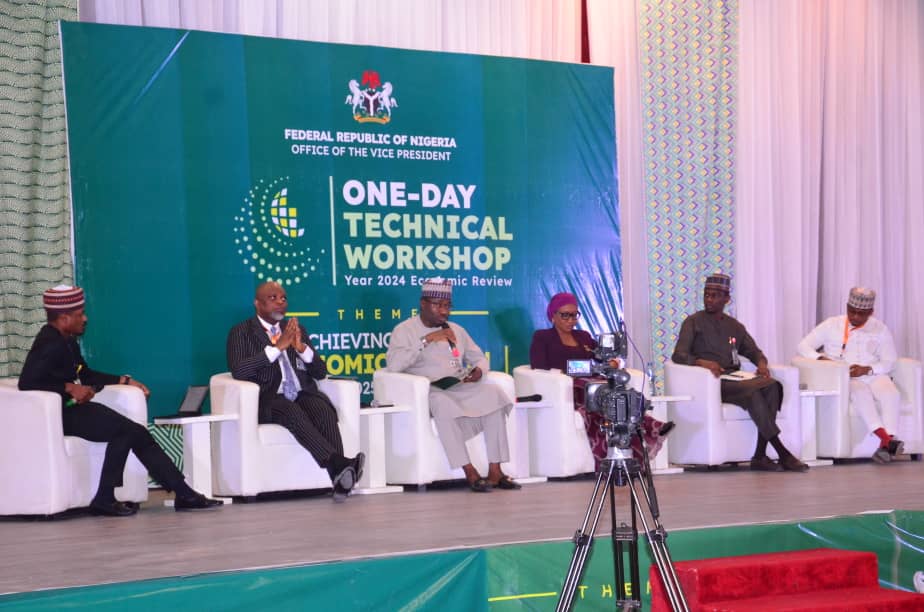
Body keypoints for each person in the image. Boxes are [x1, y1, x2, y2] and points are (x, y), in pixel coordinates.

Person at [18, 285, 223, 516]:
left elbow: (86, 374)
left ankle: (181, 493)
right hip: (60, 414)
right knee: (126, 431)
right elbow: (27, 381)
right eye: (80, 314)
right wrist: (68, 387)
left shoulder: (67, 341)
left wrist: (125, 380)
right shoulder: (49, 342)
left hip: (74, 410)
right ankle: (112, 498)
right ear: (64, 318)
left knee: (134, 432)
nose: (85, 319)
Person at [226, 281, 364, 502]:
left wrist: (301, 349)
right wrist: (277, 348)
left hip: (302, 393)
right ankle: (339, 465)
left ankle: (338, 477)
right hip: (268, 398)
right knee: (290, 411)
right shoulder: (242, 332)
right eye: (273, 298)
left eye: (283, 298)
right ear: (257, 304)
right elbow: (240, 370)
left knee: (323, 410)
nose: (280, 302)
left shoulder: (296, 330)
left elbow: (320, 372)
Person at [385, 278, 520, 493]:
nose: (444, 311)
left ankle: (496, 471)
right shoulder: (404, 330)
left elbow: (479, 357)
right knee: (442, 403)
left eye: (447, 305)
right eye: (438, 305)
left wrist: (478, 371)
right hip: (431, 390)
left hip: (459, 385)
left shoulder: (456, 330)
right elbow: (394, 365)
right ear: (423, 304)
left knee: (494, 393)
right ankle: (470, 472)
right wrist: (426, 340)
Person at [671, 273, 809, 472]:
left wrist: (761, 364)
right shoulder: (693, 322)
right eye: (706, 295)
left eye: (714, 296)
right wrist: (702, 363)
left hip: (736, 379)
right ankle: (782, 453)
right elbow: (679, 355)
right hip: (712, 382)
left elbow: (753, 351)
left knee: (772, 386)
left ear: (726, 299)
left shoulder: (734, 326)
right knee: (754, 392)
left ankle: (760, 456)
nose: (709, 299)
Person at [529, 292, 673, 468]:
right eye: (565, 315)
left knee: (618, 398)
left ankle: (635, 445)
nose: (571, 320)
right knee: (603, 402)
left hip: (593, 384)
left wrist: (613, 362)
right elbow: (538, 366)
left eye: (574, 315)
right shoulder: (542, 337)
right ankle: (651, 426)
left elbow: (602, 356)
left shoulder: (583, 336)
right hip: (568, 388)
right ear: (553, 315)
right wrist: (563, 374)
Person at [796, 287, 903, 464]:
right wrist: (821, 359)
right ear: (847, 307)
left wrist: (868, 369)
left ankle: (887, 444)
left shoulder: (880, 329)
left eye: (861, 314)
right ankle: (886, 441)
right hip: (845, 377)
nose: (855, 317)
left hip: (872, 374)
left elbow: (889, 361)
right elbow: (803, 346)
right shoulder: (832, 324)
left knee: (891, 393)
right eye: (852, 311)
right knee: (861, 394)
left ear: (871, 312)